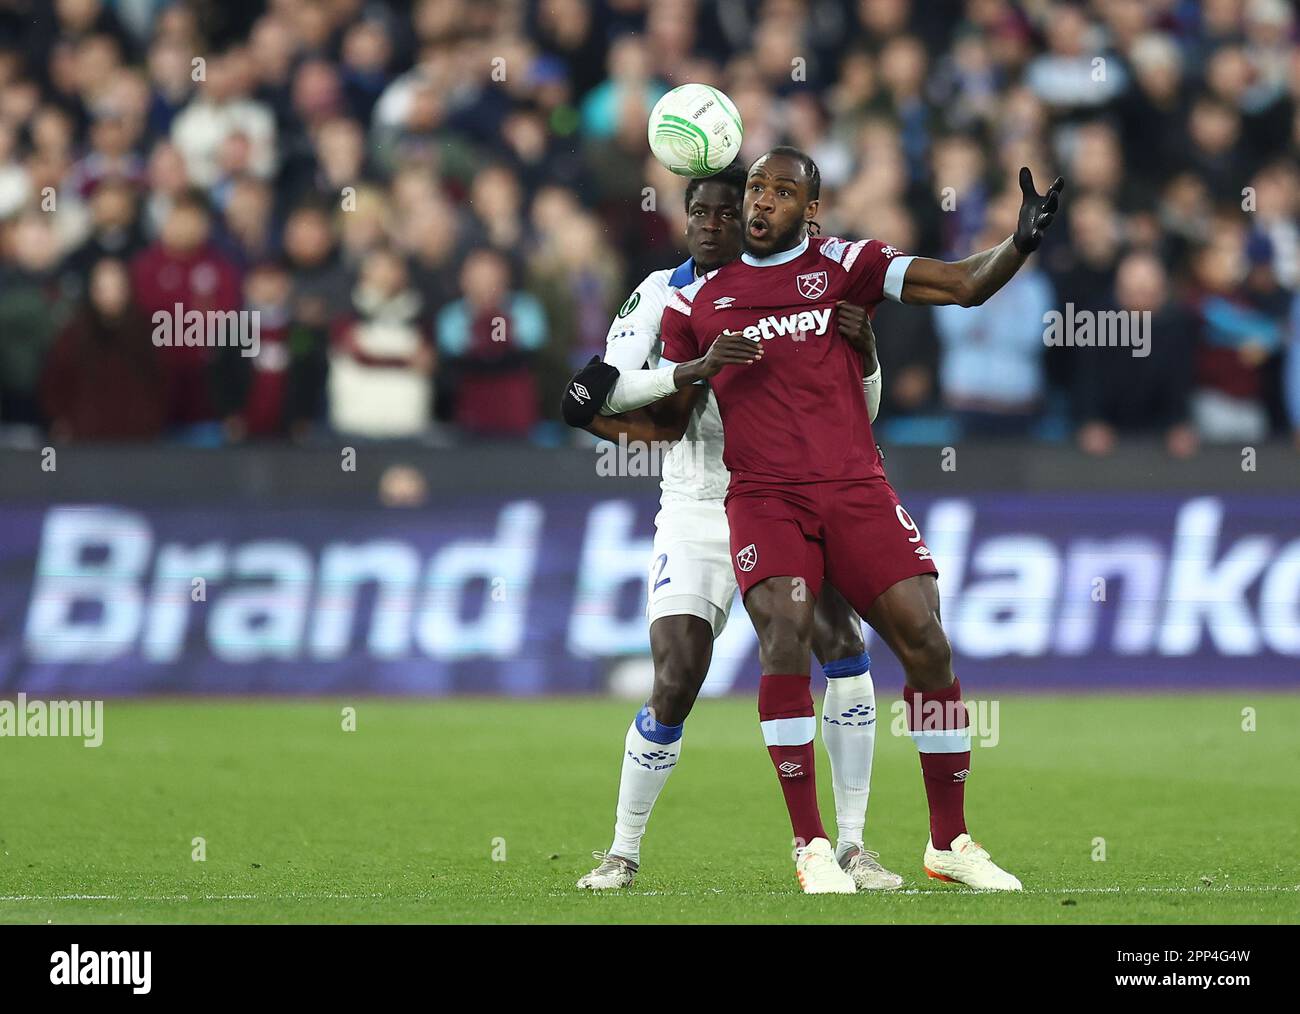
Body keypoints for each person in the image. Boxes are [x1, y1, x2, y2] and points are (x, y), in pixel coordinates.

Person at [586, 146, 1063, 892]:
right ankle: (811, 845)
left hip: (854, 487)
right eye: (754, 190)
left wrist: (1020, 242)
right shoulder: (694, 300)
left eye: (781, 192)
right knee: (785, 636)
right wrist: (652, 387)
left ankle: (950, 842)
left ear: (811, 208)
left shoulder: (851, 263)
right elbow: (672, 421)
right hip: (762, 494)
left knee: (926, 641)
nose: (760, 203)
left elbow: (964, 284)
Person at [563, 162, 898, 894]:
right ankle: (622, 850)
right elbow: (605, 391)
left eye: (729, 209)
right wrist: (691, 371)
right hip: (697, 510)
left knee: (843, 646)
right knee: (677, 679)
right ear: (685, 219)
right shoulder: (662, 294)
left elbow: (860, 410)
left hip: (792, 498)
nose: (716, 223)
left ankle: (852, 846)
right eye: (701, 213)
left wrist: (869, 357)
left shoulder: (800, 285)